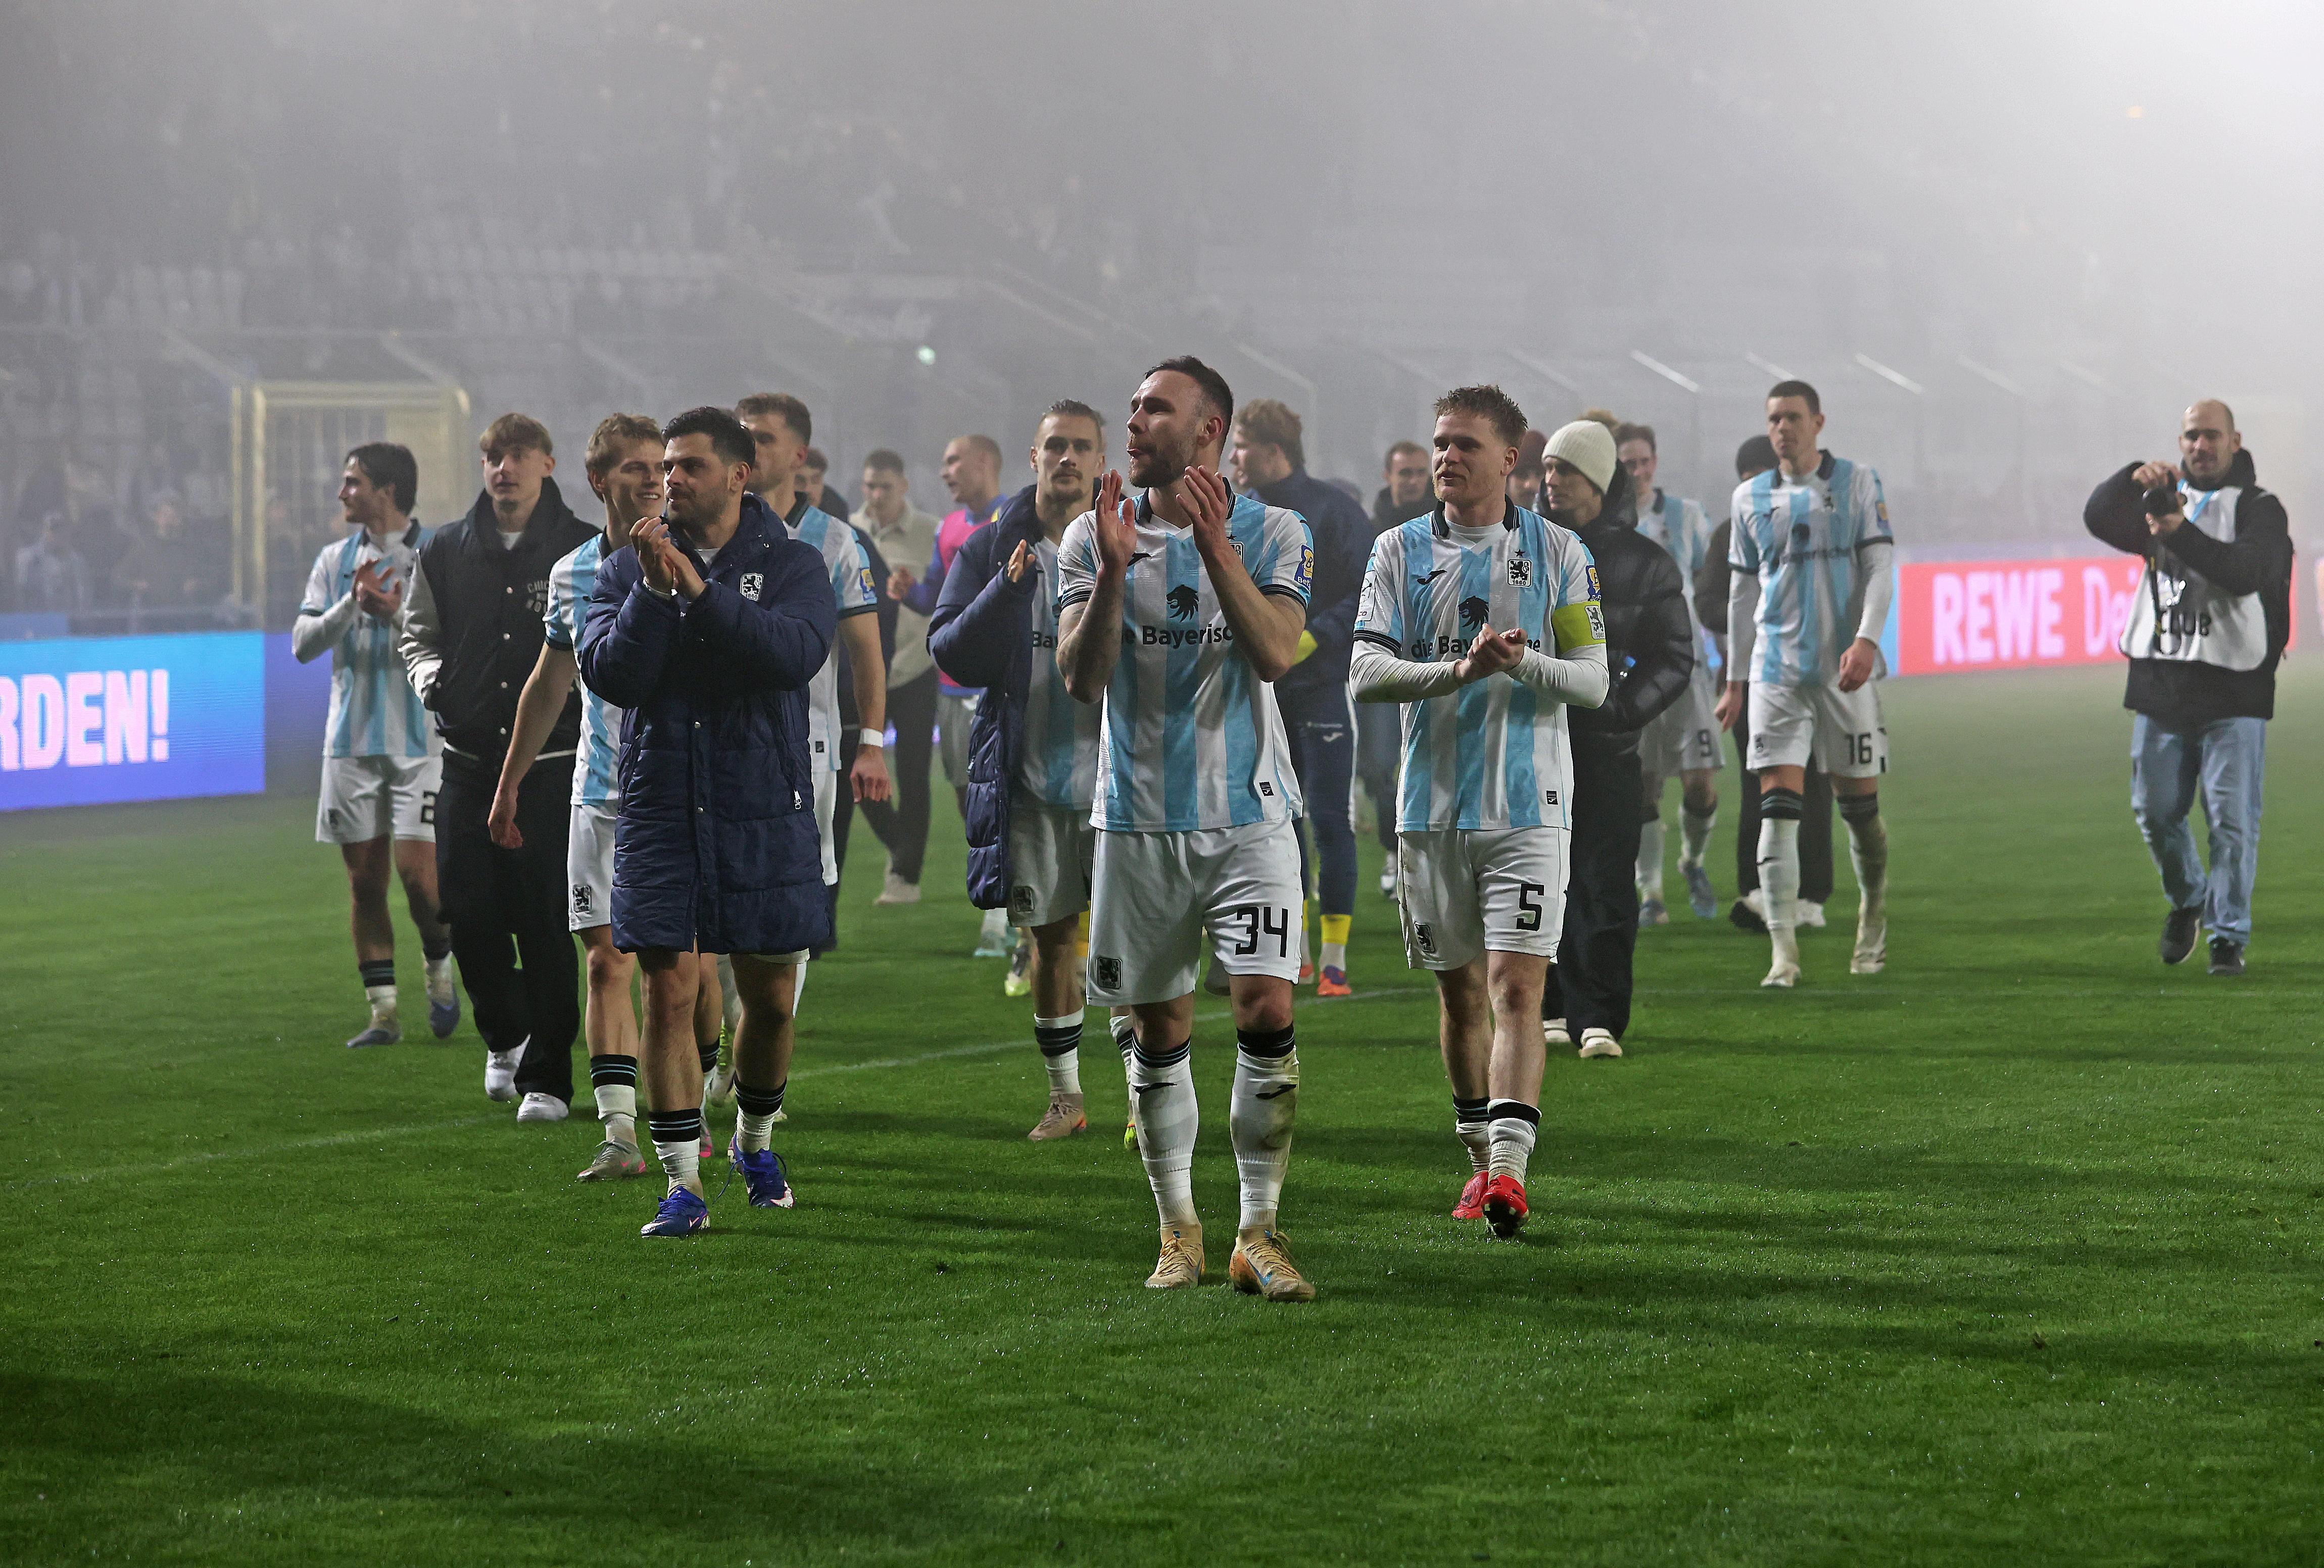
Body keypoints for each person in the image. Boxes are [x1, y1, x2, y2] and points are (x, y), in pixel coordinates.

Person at [1055, 356, 1318, 1301]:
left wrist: (1216, 551)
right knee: (1156, 1026)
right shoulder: (1092, 536)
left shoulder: (1275, 529)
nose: (1135, 418)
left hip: (1249, 815)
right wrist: (1118, 570)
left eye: (1154, 408)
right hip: (1135, 819)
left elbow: (1277, 651)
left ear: (1208, 429)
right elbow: (1082, 679)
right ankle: (1179, 1228)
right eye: (1131, 404)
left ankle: (1258, 1228)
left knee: (1266, 1009)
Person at [1348, 386, 1608, 1237]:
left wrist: (1523, 662)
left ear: (1511, 456)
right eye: (1439, 443)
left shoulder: (1563, 554)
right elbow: (1365, 672)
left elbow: (1595, 678)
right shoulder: (1398, 549)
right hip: (1429, 807)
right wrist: (1455, 673)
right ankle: (1478, 1159)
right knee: (1460, 994)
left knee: (1516, 985)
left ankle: (1508, 1174)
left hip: (1530, 806)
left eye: (1465, 444)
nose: (1446, 457)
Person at [576, 407, 836, 1238]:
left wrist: (700, 593)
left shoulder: (796, 563)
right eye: (664, 467)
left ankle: (755, 1140)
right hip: (661, 807)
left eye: (687, 465)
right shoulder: (626, 569)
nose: (669, 479)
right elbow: (613, 672)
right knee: (667, 990)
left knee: (769, 997)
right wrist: (657, 589)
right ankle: (683, 1182)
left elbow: (792, 655)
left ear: (740, 473)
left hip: (763, 805)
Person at [929, 400, 1125, 1141]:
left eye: (1082, 447)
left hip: (1120, 775)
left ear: (1103, 461)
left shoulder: (1131, 540)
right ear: (1033, 458)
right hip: (1030, 769)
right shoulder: (991, 547)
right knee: (1049, 936)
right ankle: (1066, 1097)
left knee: (1128, 940)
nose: (1067, 458)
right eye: (1055, 447)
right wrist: (1004, 592)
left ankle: (1146, 1090)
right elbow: (951, 650)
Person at [399, 413, 596, 1116]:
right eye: (491, 457)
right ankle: (505, 1031)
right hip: (467, 759)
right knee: (467, 913)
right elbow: (416, 634)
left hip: (552, 764)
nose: (501, 469)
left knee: (544, 920)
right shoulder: (446, 548)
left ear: (547, 464)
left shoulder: (583, 549)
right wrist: (436, 686)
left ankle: (547, 1077)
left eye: (516, 456)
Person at [486, 414, 663, 1180]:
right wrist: (509, 784)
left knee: (681, 975)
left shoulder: (694, 562)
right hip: (598, 792)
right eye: (634, 468)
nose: (652, 479)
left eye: (659, 467)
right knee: (605, 964)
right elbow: (550, 680)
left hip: (678, 795)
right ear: (597, 481)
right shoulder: (572, 575)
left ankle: (698, 1096)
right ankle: (621, 1133)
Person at [2084, 400, 2292, 975]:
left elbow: (2245, 572)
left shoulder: (2259, 508)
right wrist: (2133, 476)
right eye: (2190, 436)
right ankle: (2188, 899)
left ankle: (2228, 936)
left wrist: (2179, 530)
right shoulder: (2160, 503)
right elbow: (2097, 516)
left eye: (2211, 435)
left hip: (2234, 689)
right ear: (2180, 444)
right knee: (2153, 812)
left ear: (2234, 441)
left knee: (2230, 820)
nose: (2200, 446)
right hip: (2163, 686)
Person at [1714, 382, 1894, 988]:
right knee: (1776, 810)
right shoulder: (1748, 498)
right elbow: (1742, 595)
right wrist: (1736, 679)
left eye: (1792, 417)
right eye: (1773, 419)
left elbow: (1880, 568)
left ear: (1818, 421)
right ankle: (1783, 954)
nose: (1782, 428)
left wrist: (1867, 640)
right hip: (1775, 674)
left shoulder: (1858, 482)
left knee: (1860, 813)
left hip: (1843, 672)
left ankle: (1871, 912)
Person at [1536, 422, 1693, 1059]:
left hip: (1607, 748)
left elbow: (1675, 653)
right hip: (1534, 743)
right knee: (1541, 876)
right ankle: (1547, 1004)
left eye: (1566, 471)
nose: (1552, 482)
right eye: (1547, 469)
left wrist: (1624, 711)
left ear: (1599, 482)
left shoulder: (1646, 561)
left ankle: (1599, 1014)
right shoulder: (1525, 549)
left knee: (1604, 880)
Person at [292, 442, 458, 1049]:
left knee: (420, 880)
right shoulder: (335, 559)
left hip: (423, 742)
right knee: (365, 880)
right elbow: (303, 643)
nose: (342, 493)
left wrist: (391, 613)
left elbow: (458, 643)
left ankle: (440, 964)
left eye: (352, 482)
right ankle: (383, 1012)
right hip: (351, 743)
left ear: (385, 491)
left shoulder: (439, 552)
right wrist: (349, 605)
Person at [736, 394, 891, 945]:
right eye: (741, 434)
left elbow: (866, 653)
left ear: (799, 454)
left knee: (796, 903)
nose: (747, 447)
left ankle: (763, 1026)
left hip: (806, 745)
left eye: (763, 437)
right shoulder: (709, 530)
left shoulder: (834, 539)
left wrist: (869, 742)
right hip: (717, 745)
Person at [1229, 399, 1371, 997]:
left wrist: (1313, 638)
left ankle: (1335, 956)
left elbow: (1369, 589)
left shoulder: (1332, 511)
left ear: (1270, 450)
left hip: (1320, 689)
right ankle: (1299, 950)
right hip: (1257, 693)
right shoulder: (1233, 515)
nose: (1232, 458)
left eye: (1240, 446)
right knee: (1273, 824)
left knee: (1330, 819)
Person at [1700, 436, 1835, 933]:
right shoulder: (1725, 535)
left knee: (1817, 782)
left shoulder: (1813, 529)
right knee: (1758, 782)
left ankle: (1811, 894)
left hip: (1810, 676)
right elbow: (1708, 601)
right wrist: (1760, 620)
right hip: (1749, 680)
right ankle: (1755, 889)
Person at [1618, 421, 1722, 923]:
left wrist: (1729, 661)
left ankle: (1692, 861)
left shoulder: (1686, 517)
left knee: (1701, 783)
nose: (1637, 471)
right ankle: (1651, 893)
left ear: (1655, 462)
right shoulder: (1607, 523)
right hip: (1632, 673)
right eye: (1628, 463)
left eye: (1643, 461)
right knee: (1642, 784)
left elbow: (1710, 591)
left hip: (1688, 670)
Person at [924, 434, 1012, 958]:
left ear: (985, 463)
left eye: (953, 460)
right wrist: (907, 590)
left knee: (1005, 802)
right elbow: (939, 596)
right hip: (950, 686)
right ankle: (1002, 908)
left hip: (994, 687)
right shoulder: (948, 528)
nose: (946, 472)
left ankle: (1004, 919)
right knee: (967, 800)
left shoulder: (1014, 524)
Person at [857, 449, 943, 904]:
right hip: (866, 675)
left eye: (885, 486)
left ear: (903, 486)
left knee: (914, 776)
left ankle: (905, 878)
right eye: (869, 485)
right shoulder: (850, 531)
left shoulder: (932, 531)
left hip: (916, 668)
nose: (875, 495)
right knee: (860, 774)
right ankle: (901, 847)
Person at [1362, 442, 1434, 895]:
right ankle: (1395, 851)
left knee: (1423, 762)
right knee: (1376, 767)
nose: (1411, 480)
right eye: (1403, 472)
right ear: (1388, 475)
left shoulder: (1441, 528)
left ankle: (1416, 858)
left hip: (1431, 667)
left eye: (1418, 472)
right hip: (1384, 666)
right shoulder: (1371, 531)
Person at [15, 512, 90, 614]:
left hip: (70, 622)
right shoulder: (27, 558)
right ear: (44, 531)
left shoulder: (77, 561)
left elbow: (83, 598)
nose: (59, 533)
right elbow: (20, 595)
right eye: (53, 529)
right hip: (36, 621)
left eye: (62, 529)